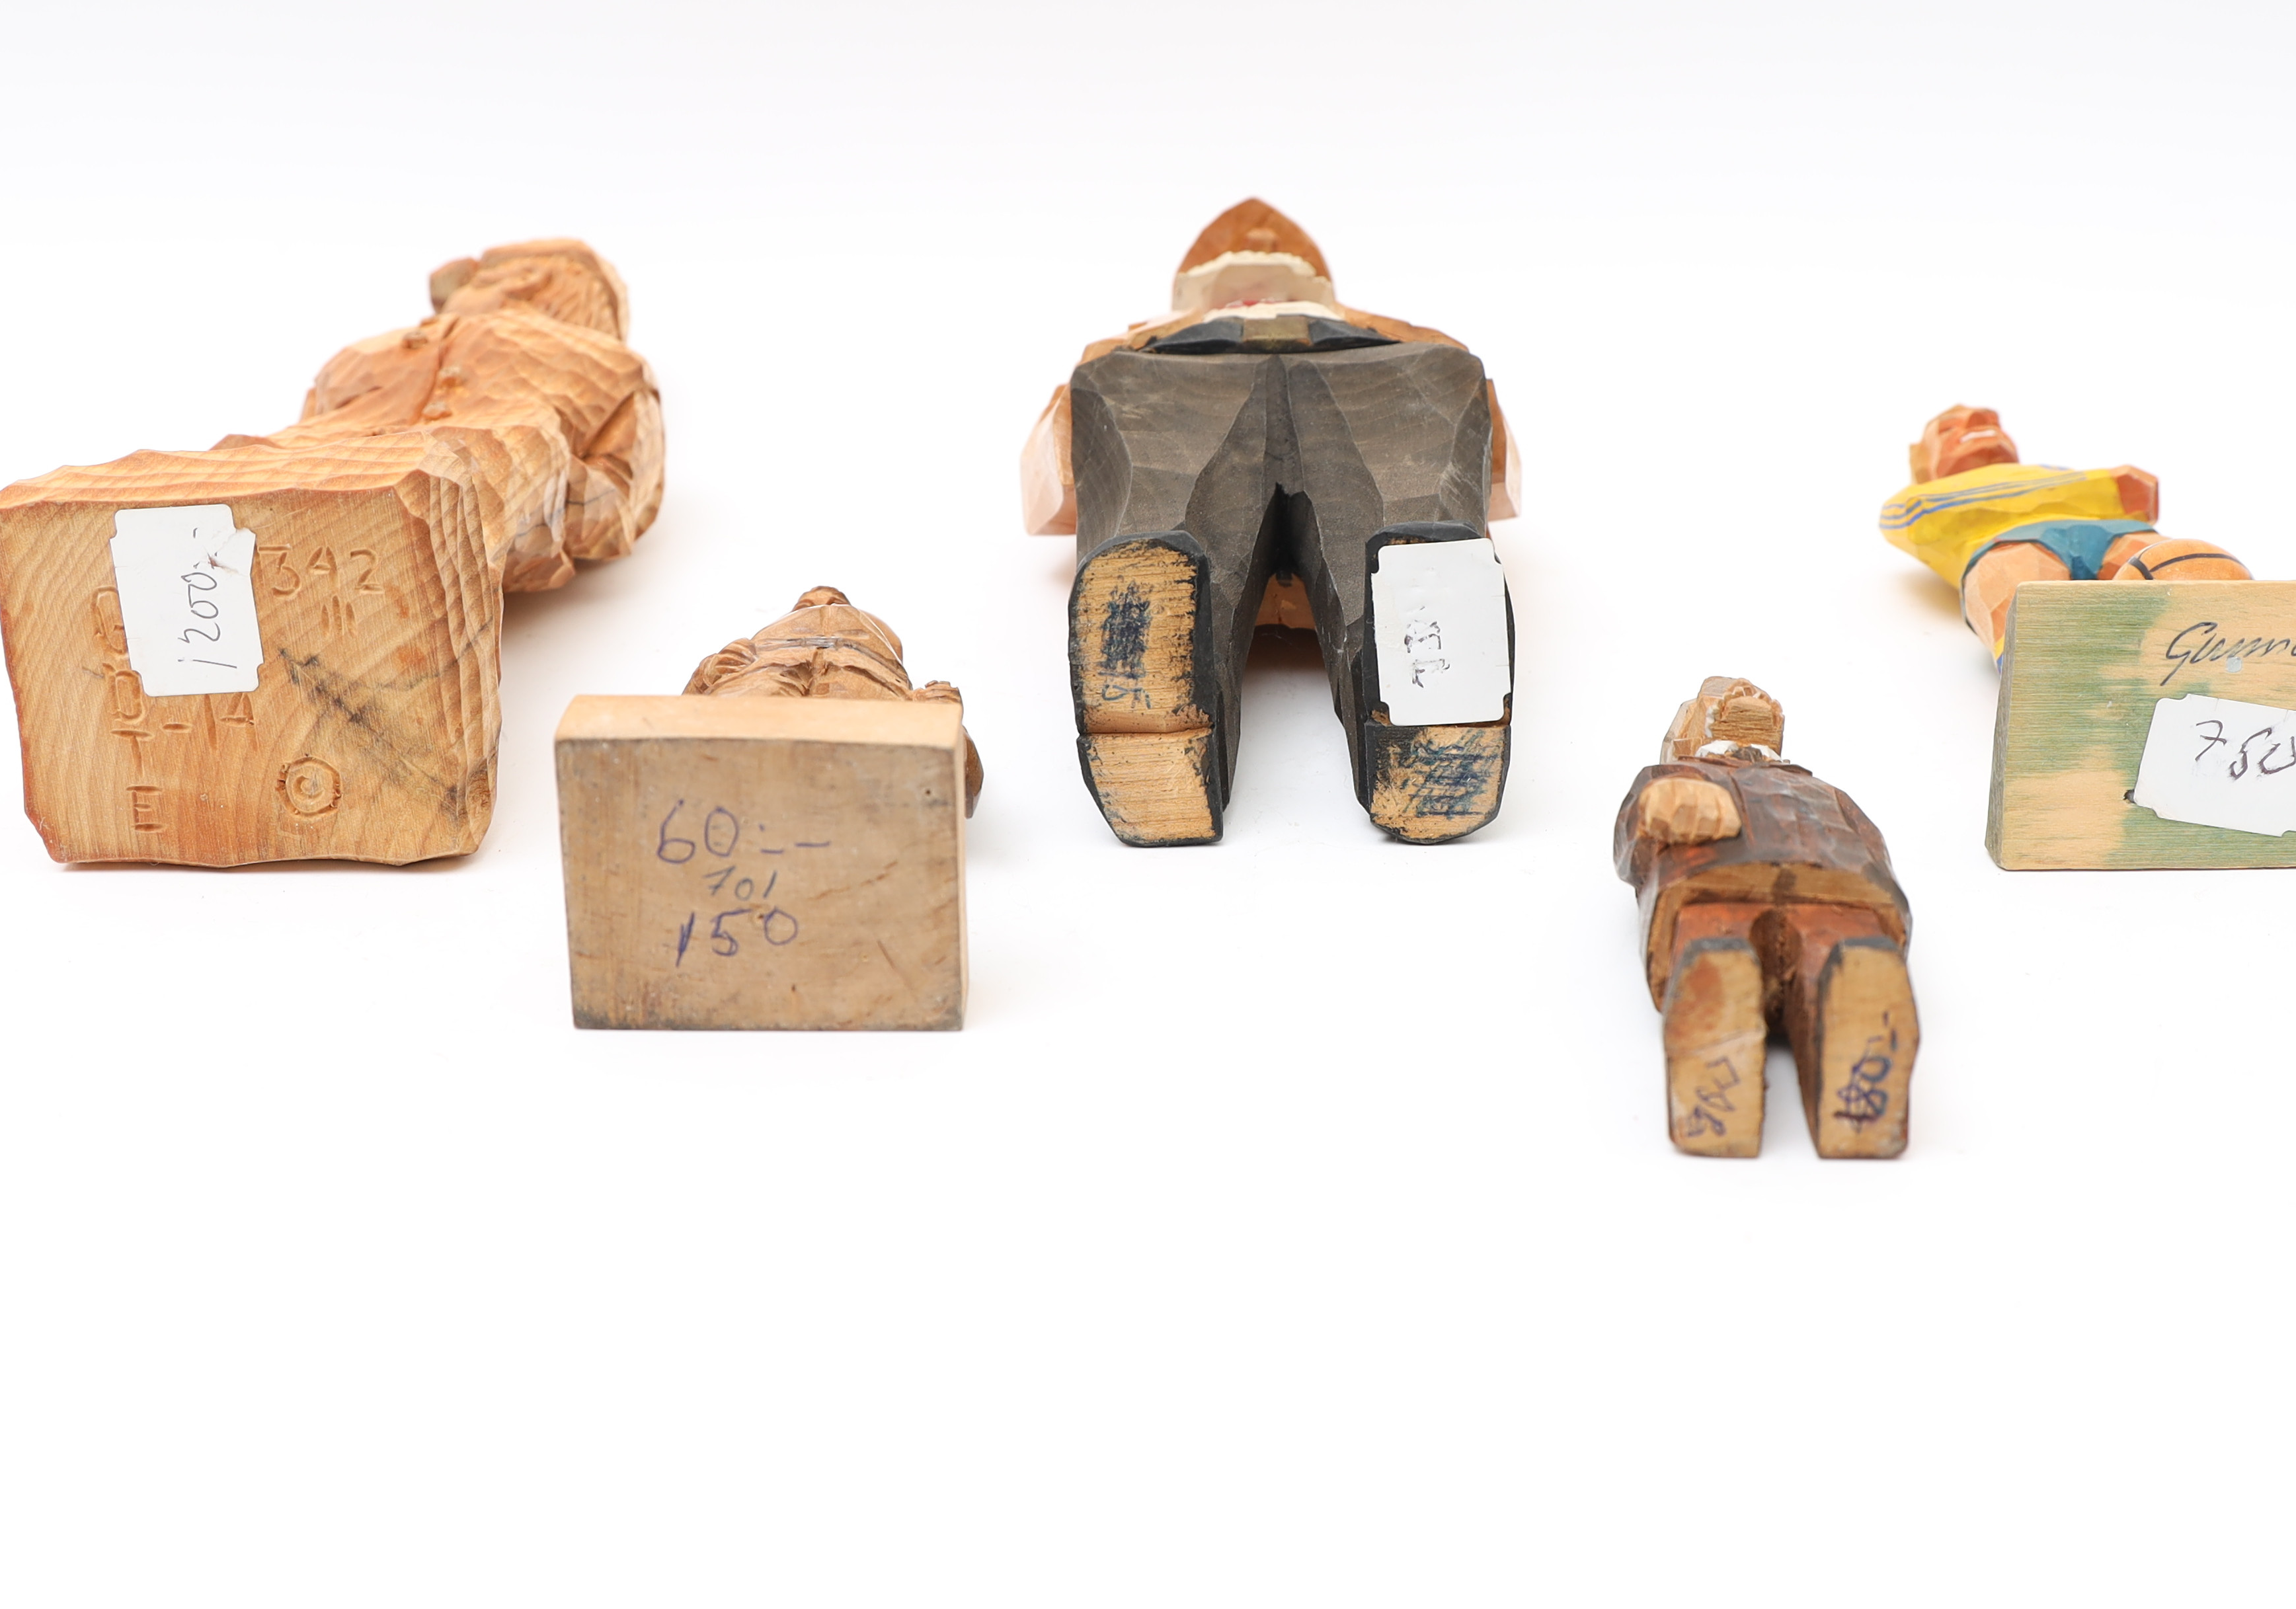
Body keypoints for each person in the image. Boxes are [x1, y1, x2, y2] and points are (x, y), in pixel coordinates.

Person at [1019, 200, 1521, 845]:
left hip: (1371, 369)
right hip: (1179, 373)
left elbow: (1492, 459)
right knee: (1156, 496)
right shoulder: (1129, 349)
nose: (1258, 234)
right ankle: (1154, 660)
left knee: (1417, 484)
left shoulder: (1410, 341)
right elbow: (1049, 480)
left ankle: (1432, 681)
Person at [1610, 677, 1916, 1158]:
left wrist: (1885, 901)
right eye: (1732, 701)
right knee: (1716, 946)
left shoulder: (1820, 788)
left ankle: (1859, 1027)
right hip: (1715, 884)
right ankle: (1717, 1060)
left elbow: (1871, 841)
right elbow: (1629, 844)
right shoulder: (1676, 777)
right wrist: (1659, 805)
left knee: (1851, 955)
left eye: (1760, 704)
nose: (1751, 702)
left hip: (1839, 888)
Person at [1876, 403, 2244, 654]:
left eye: (1991, 423)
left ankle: (2243, 631)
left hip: (2114, 531)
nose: (1978, 421)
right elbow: (1920, 519)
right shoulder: (1917, 497)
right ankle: (2046, 668)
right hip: (2009, 545)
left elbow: (2138, 498)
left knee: (2178, 562)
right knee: (2017, 591)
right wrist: (2097, 484)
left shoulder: (2053, 472)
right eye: (1949, 429)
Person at [681, 586, 980, 810]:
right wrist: (706, 674)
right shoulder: (760, 652)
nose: (824, 607)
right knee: (725, 727)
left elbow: (966, 790)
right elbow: (677, 722)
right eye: (805, 605)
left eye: (837, 602)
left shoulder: (882, 667)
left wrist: (944, 724)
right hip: (767, 668)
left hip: (868, 679)